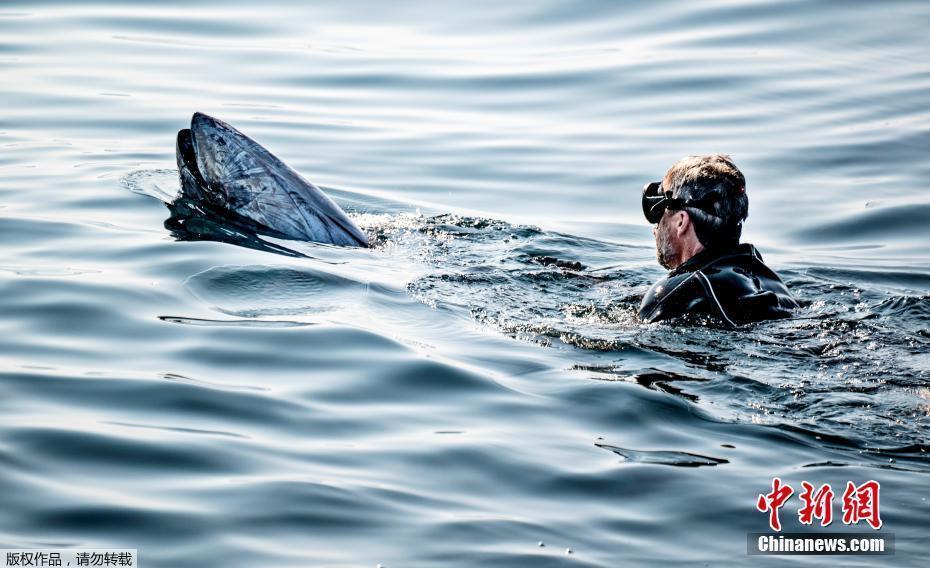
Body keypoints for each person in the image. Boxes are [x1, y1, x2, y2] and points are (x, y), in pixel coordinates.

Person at [638, 155, 799, 326]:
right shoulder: (768, 281)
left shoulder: (671, 295)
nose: (657, 227)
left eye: (661, 213)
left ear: (681, 221)